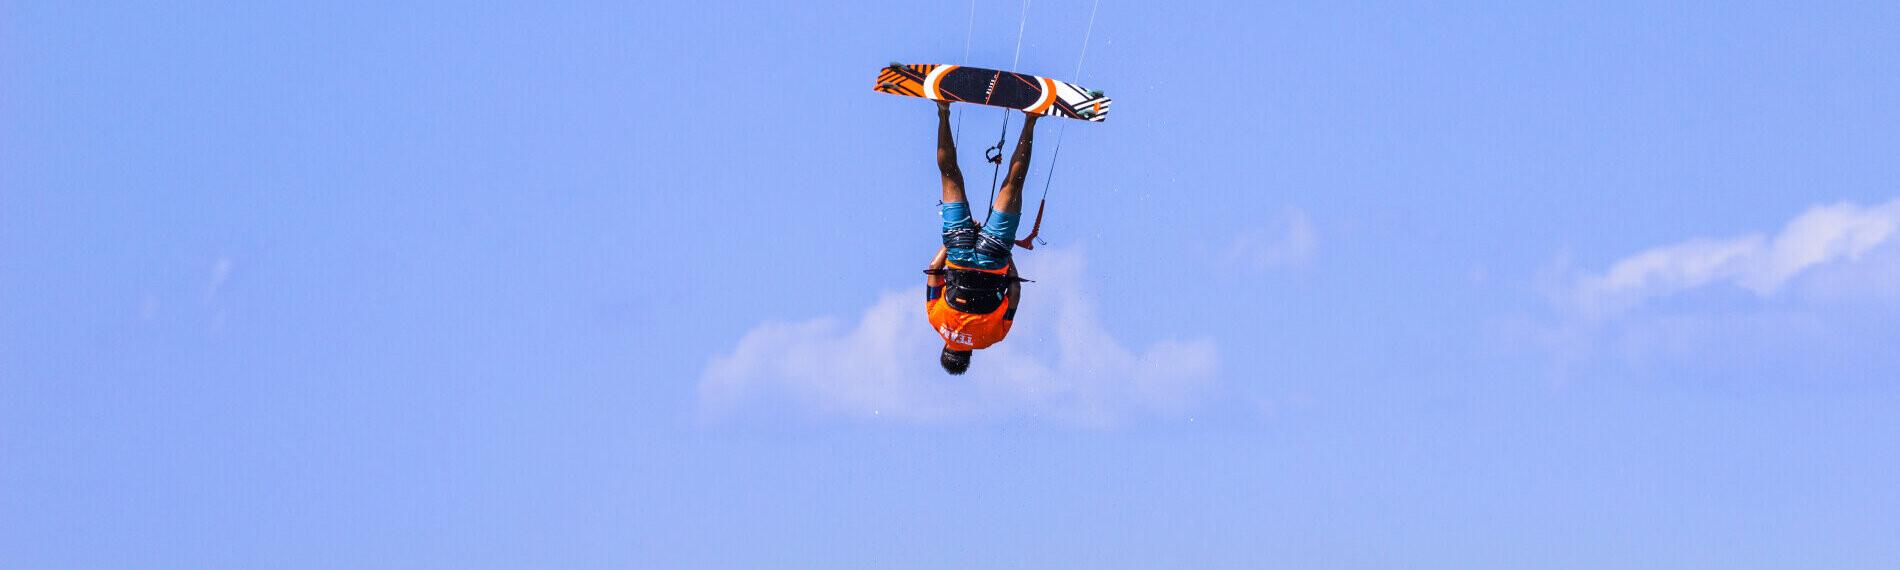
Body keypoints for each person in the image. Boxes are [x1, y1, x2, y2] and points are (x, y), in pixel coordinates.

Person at [924, 100, 1037, 375]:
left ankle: (1031, 119)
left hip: (994, 255)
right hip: (959, 251)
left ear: (969, 357)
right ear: (945, 349)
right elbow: (933, 273)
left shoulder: (991, 338)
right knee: (950, 175)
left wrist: (1007, 257)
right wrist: (949, 245)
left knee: (1013, 184)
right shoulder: (936, 322)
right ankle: (942, 109)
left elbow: (1015, 294)